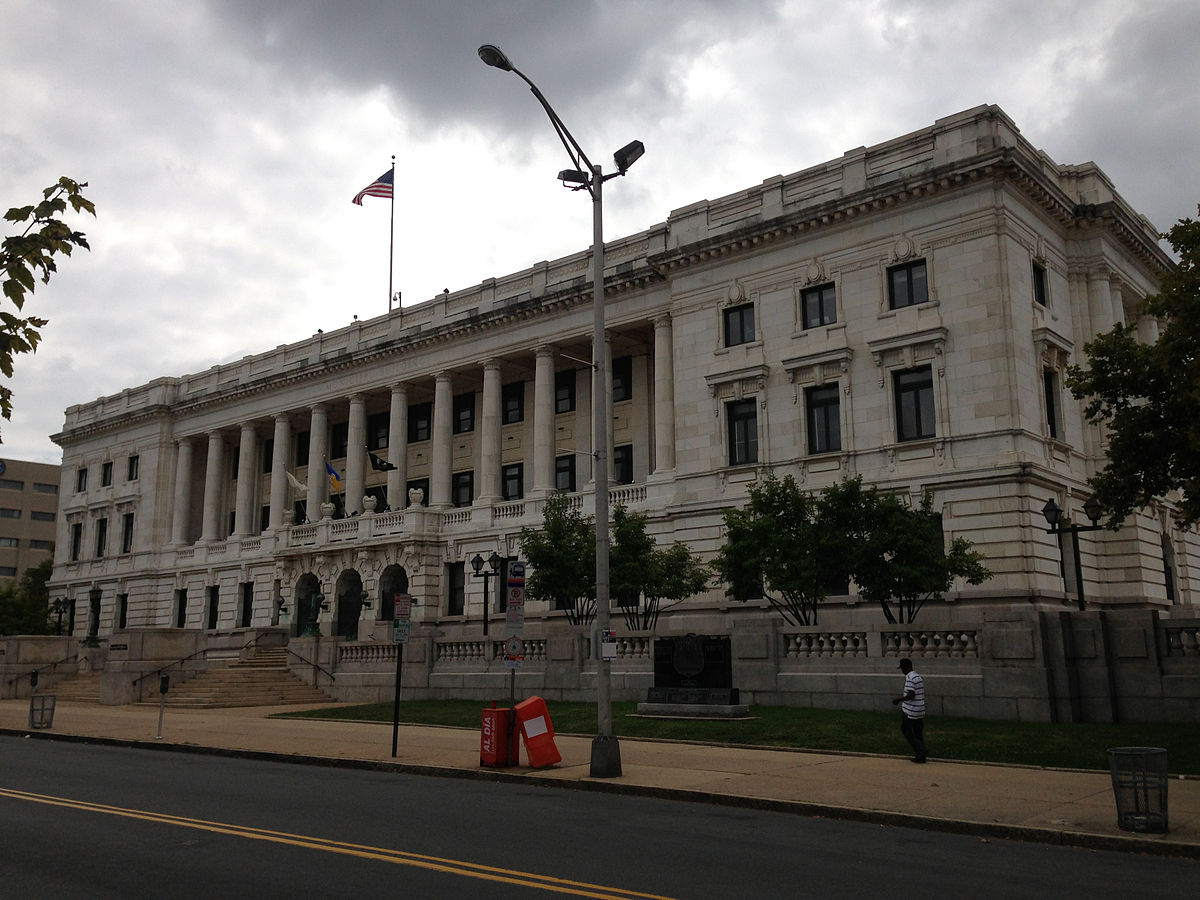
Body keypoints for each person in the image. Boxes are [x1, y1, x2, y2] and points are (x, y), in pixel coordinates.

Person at [892, 657, 927, 763]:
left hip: (910, 710)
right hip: (920, 708)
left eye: (902, 668)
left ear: (905, 668)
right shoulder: (918, 676)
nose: (902, 671)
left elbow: (911, 695)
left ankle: (921, 750)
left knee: (906, 730)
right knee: (918, 732)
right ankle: (921, 756)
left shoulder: (910, 678)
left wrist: (898, 700)